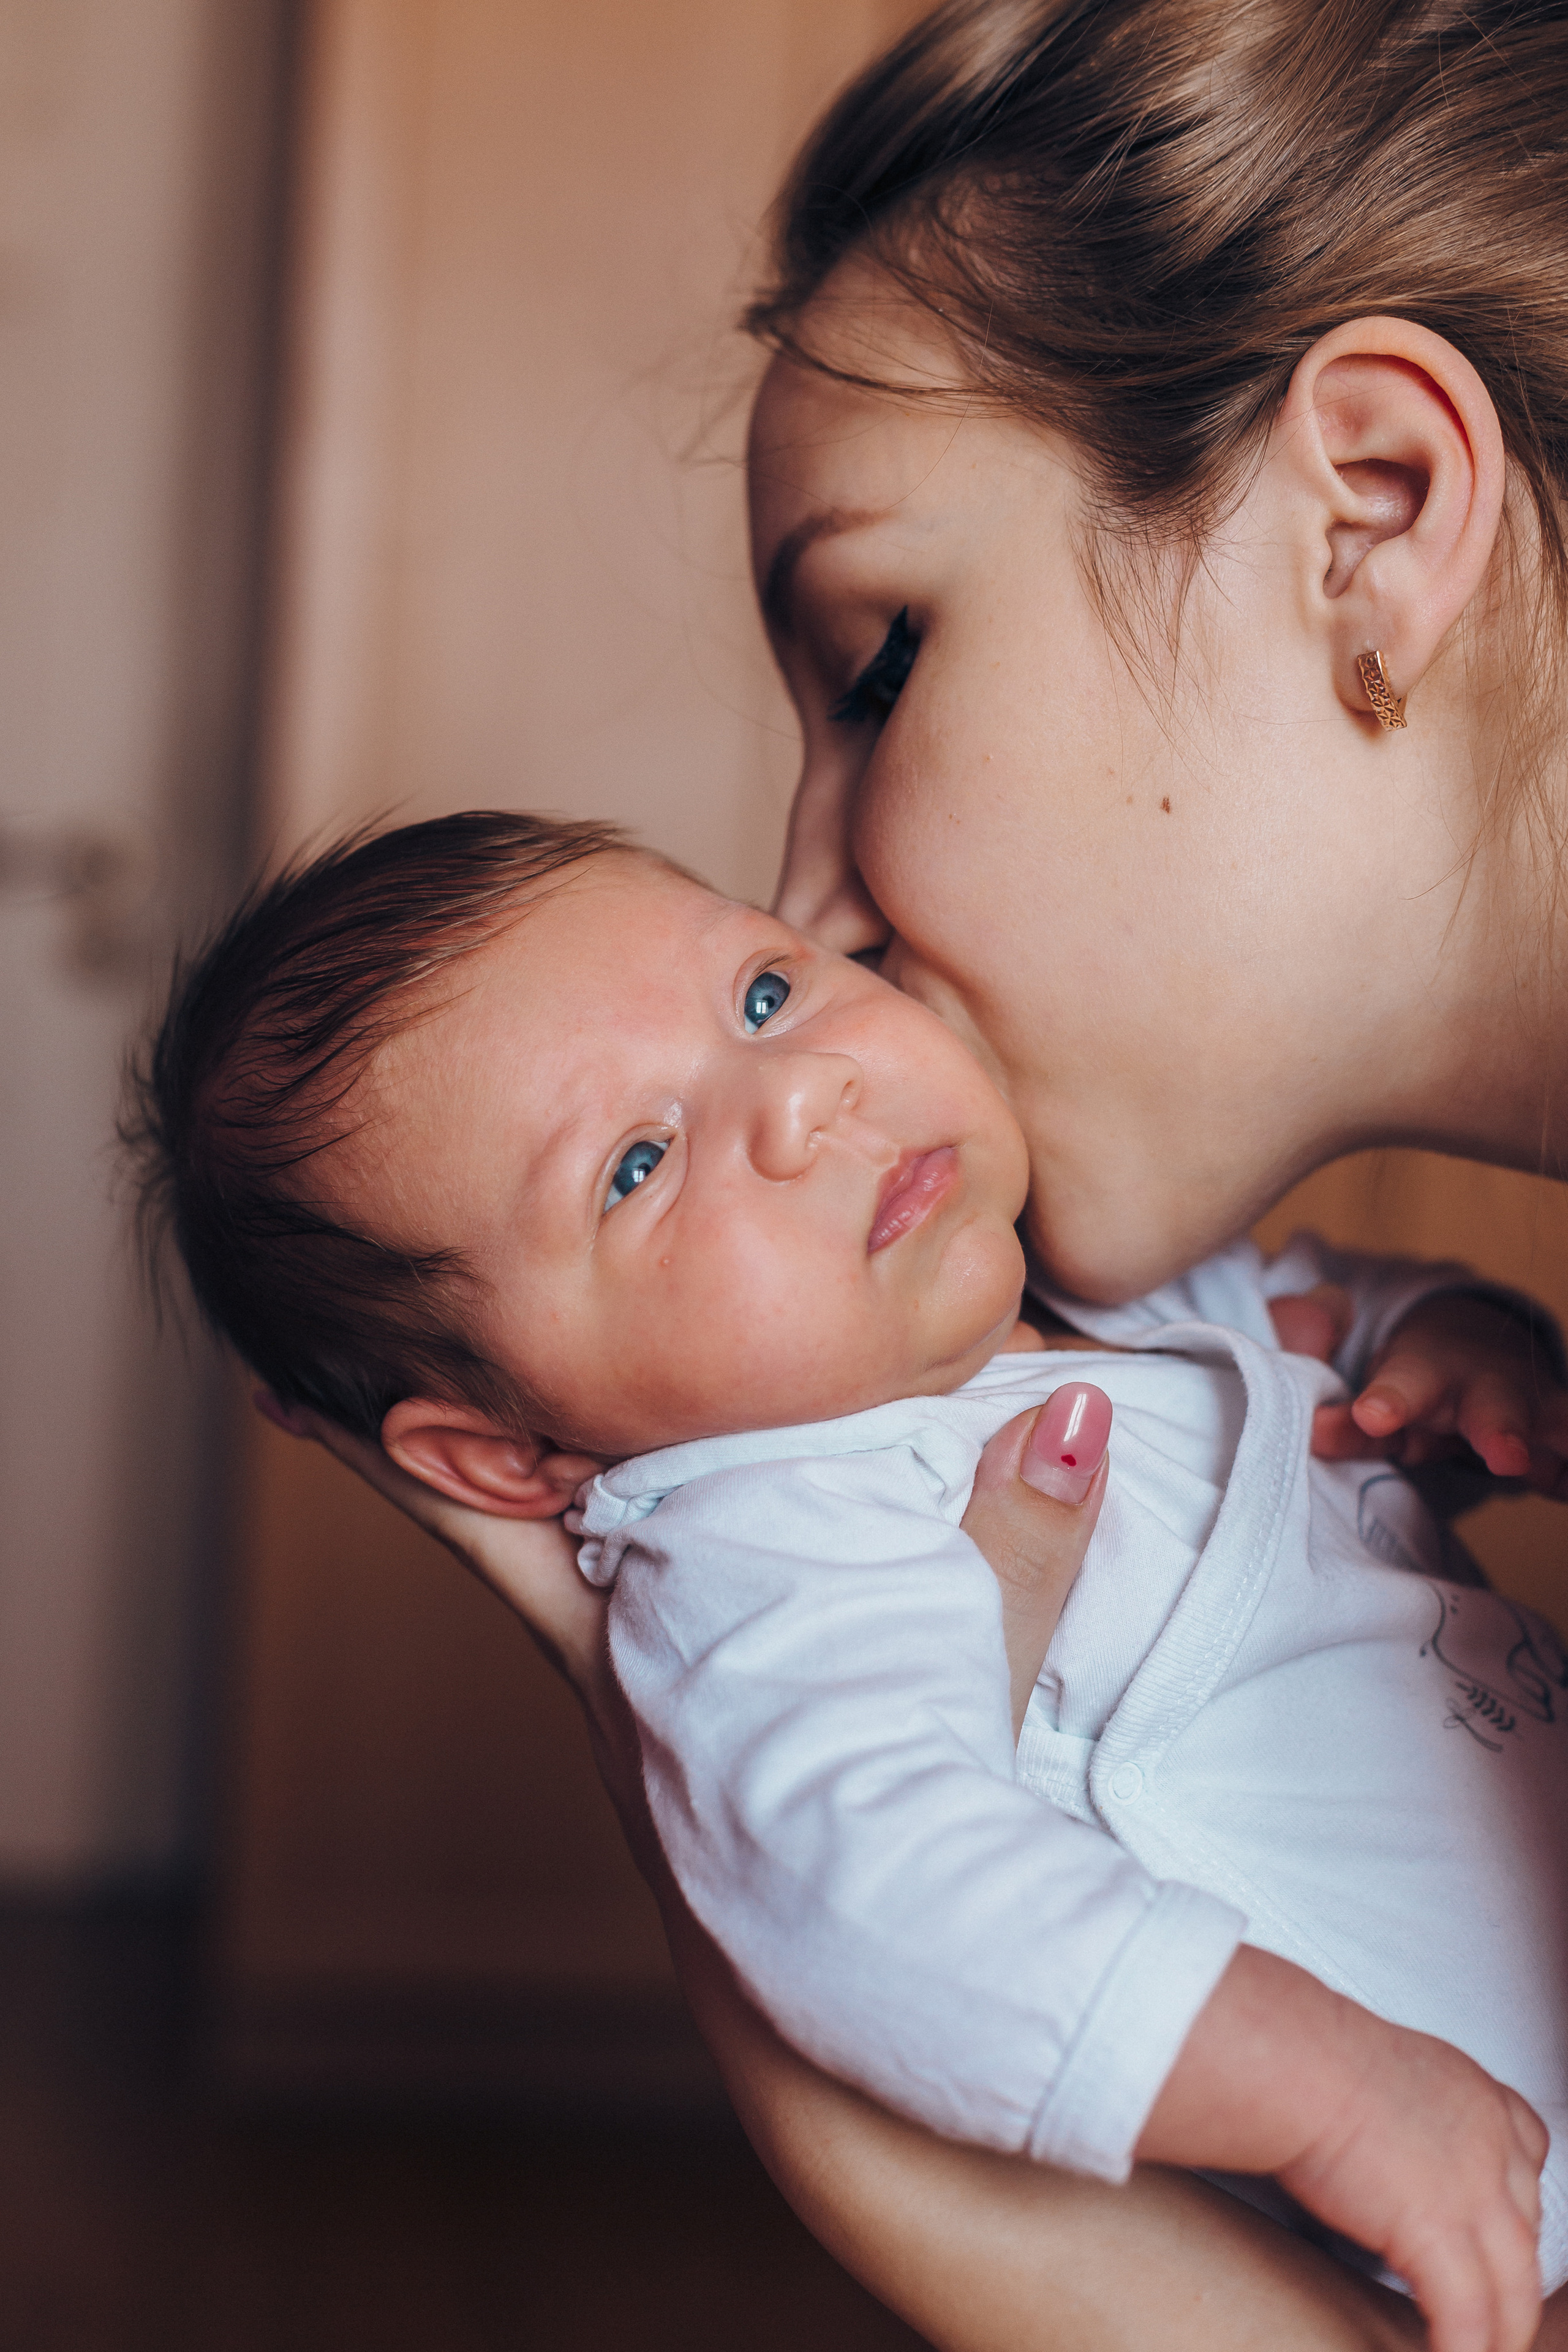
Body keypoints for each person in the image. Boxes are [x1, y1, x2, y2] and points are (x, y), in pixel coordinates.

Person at [231, 0, 1568, 2342]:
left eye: (877, 665)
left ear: (1370, 506)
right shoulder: (852, 1488)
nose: (822, 921)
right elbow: (891, 1876)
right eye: (636, 1157)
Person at [131, 811, 1568, 2351]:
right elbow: (875, 1887)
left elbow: (1328, 1301)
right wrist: (1327, 2088)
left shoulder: (1099, 1282)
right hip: (1496, 2202)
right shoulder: (770, 1537)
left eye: (761, 997)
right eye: (635, 1163)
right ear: (506, 1456)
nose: (801, 1098)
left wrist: (1457, 1342)